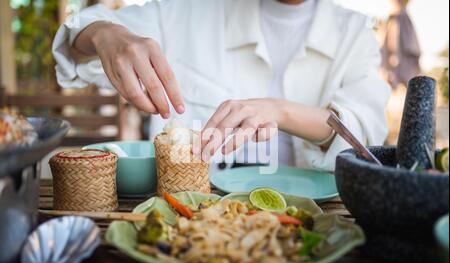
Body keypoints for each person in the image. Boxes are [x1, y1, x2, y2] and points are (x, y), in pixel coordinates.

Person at [53, 0, 391, 171]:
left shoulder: (354, 33)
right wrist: (103, 35)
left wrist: (279, 110)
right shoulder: (188, 11)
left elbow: (365, 135)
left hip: (317, 226)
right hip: (191, 223)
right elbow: (76, 46)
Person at [381, 0, 421, 89]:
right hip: (396, 59)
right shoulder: (394, 19)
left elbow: (411, 48)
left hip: (399, 59)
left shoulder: (401, 19)